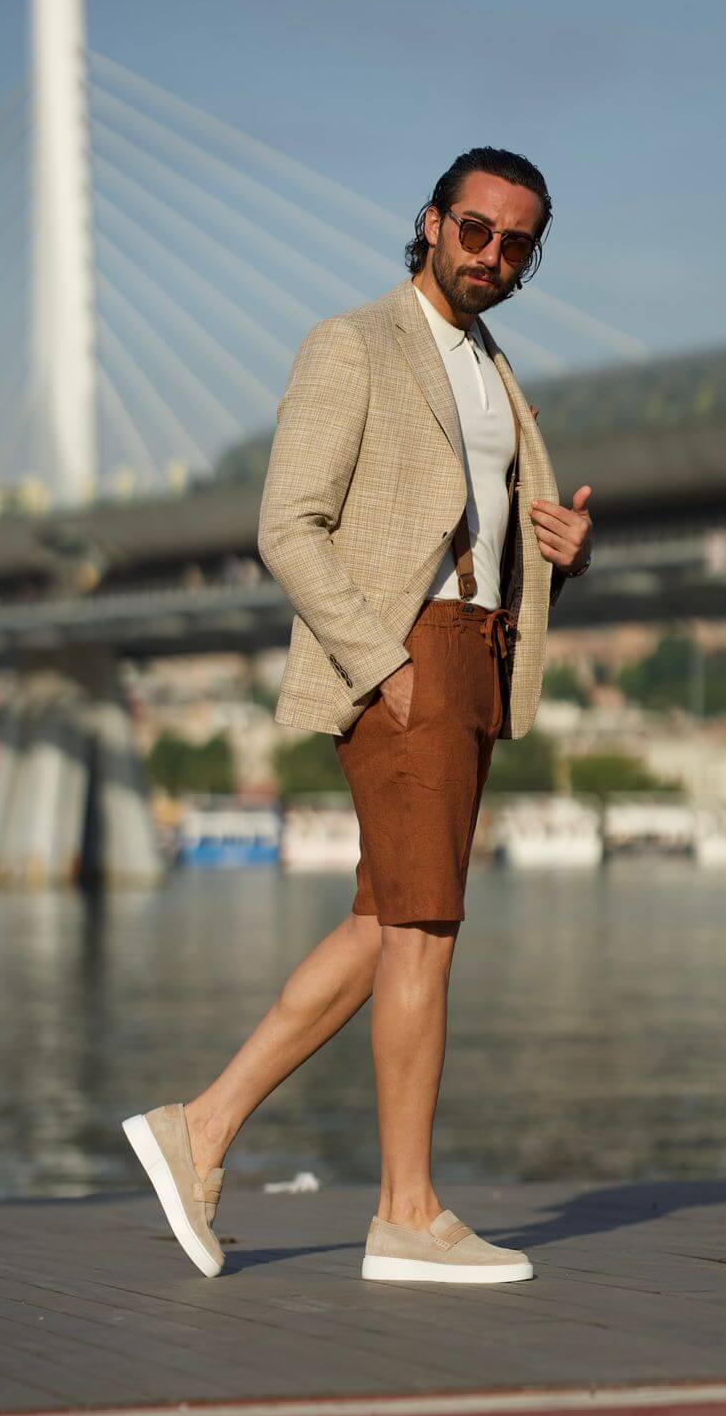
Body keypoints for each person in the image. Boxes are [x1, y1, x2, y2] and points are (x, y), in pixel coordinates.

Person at [123, 147, 593, 1286]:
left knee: (385, 923)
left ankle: (200, 1128)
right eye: (475, 230)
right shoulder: (353, 343)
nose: (493, 255)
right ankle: (406, 1213)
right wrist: (384, 667)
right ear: (429, 222)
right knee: (425, 932)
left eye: (517, 244)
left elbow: (479, 528)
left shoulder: (490, 367)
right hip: (408, 658)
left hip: (475, 655)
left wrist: (564, 556)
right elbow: (287, 525)